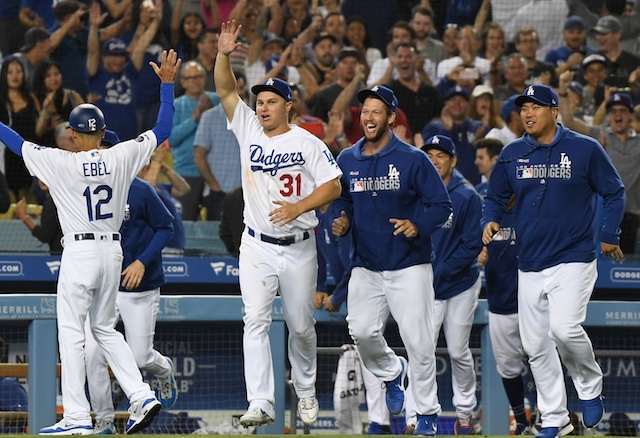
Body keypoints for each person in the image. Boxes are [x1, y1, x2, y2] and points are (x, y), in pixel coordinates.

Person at [0, 48, 181, 435]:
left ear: (74, 134)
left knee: (72, 332)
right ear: (101, 131)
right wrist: (166, 86)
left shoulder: (61, 161)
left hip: (80, 251)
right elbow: (163, 129)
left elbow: (16, 143)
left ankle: (78, 417)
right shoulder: (121, 156)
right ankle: (142, 395)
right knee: (103, 329)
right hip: (112, 252)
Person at [215, 20, 343, 428]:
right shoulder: (248, 127)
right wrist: (222, 54)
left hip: (300, 244)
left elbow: (335, 186)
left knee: (301, 327)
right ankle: (261, 402)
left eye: (272, 101)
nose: (263, 106)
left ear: (289, 106)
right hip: (256, 244)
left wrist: (299, 206)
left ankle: (305, 390)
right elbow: (223, 89)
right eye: (261, 100)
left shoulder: (308, 141)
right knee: (254, 319)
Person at [481, 84, 625, 438]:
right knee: (535, 346)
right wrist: (490, 219)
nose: (528, 113)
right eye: (524, 108)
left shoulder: (584, 148)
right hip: (528, 262)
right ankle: (554, 418)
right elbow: (496, 195)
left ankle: (590, 386)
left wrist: (610, 234)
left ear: (554, 112)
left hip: (573, 257)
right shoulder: (513, 153)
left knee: (563, 329)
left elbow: (614, 191)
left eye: (536, 107)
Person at [331, 84, 452, 436]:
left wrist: (418, 225)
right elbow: (343, 202)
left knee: (419, 342)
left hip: (409, 265)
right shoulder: (347, 159)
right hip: (366, 266)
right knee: (361, 331)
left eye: (376, 111)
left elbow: (441, 207)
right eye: (365, 111)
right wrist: (341, 219)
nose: (368, 116)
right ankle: (391, 372)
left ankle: (427, 415)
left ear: (391, 118)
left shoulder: (413, 159)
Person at [85, 129, 178, 436]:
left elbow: (167, 227)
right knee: (92, 354)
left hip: (140, 286)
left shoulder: (140, 190)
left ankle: (163, 368)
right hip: (104, 289)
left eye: (111, 151)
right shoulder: (86, 190)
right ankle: (105, 420)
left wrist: (141, 261)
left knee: (139, 358)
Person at [419, 134, 483, 435]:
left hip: (459, 283)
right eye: (429, 154)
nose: (434, 159)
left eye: (440, 155)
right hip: (427, 284)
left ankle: (465, 413)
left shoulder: (467, 195)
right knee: (422, 350)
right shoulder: (417, 190)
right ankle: (421, 414)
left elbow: (472, 246)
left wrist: (438, 273)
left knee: (458, 350)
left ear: (453, 160)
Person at [557, 72, 640, 255]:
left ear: (630, 115)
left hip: (632, 214)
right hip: (602, 211)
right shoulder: (599, 136)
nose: (618, 115)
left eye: (622, 111)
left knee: (625, 269)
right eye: (613, 111)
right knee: (598, 264)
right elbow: (569, 121)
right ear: (608, 115)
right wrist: (563, 91)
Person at [478, 191, 531, 435]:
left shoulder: (531, 210)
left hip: (532, 306)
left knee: (544, 362)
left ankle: (549, 417)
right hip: (500, 304)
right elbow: (469, 245)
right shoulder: (488, 215)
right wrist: (476, 255)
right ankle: (521, 421)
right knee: (508, 368)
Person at [168, 60, 220, 221]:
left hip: (215, 172)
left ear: (205, 78)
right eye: (190, 78)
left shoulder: (217, 101)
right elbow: (172, 139)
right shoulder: (175, 105)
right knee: (184, 221)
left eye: (198, 77)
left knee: (216, 222)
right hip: (185, 173)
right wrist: (194, 119)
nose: (194, 81)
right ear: (183, 82)